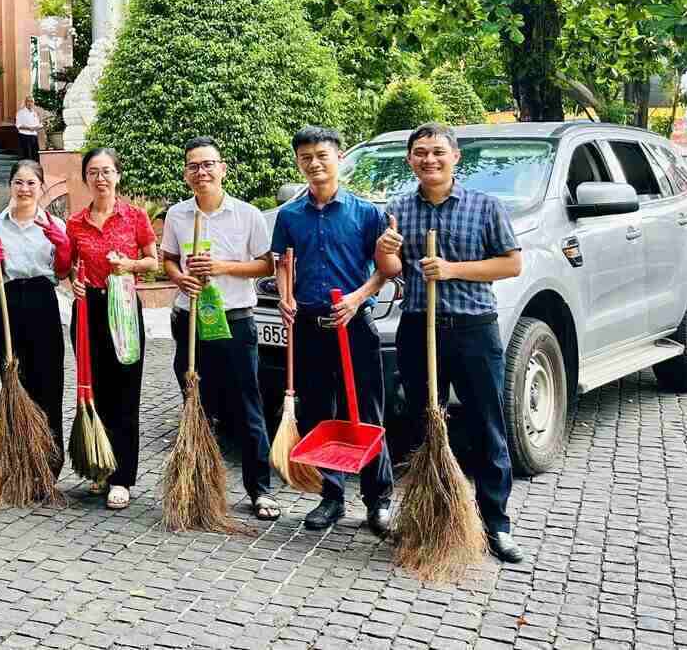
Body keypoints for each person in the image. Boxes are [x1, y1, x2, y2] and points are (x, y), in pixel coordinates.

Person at [377, 121, 525, 563]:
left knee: (486, 423)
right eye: (420, 153)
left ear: (455, 157)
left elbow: (511, 265)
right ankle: (435, 516)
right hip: (419, 326)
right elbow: (390, 268)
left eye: (438, 152)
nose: (430, 160)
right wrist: (387, 248)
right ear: (410, 160)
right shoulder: (399, 208)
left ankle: (496, 524)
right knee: (427, 421)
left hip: (472, 327)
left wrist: (453, 270)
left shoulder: (484, 207)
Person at [268, 126, 399, 535]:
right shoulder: (289, 215)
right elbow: (282, 264)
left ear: (339, 157)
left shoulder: (367, 213)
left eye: (322, 155)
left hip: (354, 325)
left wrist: (357, 298)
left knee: (367, 414)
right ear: (298, 162)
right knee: (320, 414)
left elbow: (384, 271)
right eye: (306, 157)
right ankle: (331, 496)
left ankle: (378, 500)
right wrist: (286, 297)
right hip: (310, 326)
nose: (314, 163)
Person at [162, 137, 280, 521]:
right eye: (194, 166)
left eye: (209, 164)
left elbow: (266, 266)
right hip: (190, 319)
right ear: (186, 173)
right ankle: (199, 485)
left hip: (234, 319)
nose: (202, 172)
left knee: (247, 406)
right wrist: (182, 280)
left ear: (222, 168)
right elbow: (168, 260)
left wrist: (222, 266)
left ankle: (259, 490)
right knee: (196, 402)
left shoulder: (248, 215)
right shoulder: (178, 215)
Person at [66, 147, 159, 509]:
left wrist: (129, 265)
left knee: (124, 391)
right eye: (93, 172)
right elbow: (71, 266)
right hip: (88, 309)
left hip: (122, 307)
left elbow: (152, 260)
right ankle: (99, 467)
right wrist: (73, 281)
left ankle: (122, 477)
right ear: (86, 178)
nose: (100, 178)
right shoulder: (75, 222)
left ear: (118, 175)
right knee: (94, 389)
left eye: (107, 171)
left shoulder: (134, 217)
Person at [0, 160, 72, 470]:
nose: (24, 189)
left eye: (31, 183)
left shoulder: (54, 225)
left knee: (47, 381)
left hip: (42, 301)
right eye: (19, 183)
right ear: (10, 185)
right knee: (13, 380)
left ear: (40, 187)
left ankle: (49, 463)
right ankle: (17, 462)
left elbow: (62, 272)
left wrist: (63, 249)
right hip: (8, 303)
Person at [14, 96, 42, 162]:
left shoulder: (35, 113)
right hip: (24, 136)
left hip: (34, 137)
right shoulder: (20, 112)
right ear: (25, 102)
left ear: (33, 103)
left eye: (31, 101)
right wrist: (29, 128)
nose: (30, 103)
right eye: (28, 101)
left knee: (35, 157)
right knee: (26, 157)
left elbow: (38, 124)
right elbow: (18, 125)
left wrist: (38, 127)